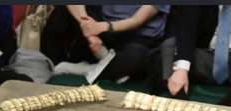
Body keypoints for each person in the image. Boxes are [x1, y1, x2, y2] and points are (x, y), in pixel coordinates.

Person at [155, 5, 231, 108]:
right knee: (170, 45)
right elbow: (186, 30)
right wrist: (181, 68)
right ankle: (179, 96)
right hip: (205, 56)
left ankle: (230, 102)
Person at [42, 5, 170, 84]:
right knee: (63, 10)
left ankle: (90, 69)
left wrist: (101, 27)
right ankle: (111, 66)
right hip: (103, 29)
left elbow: (137, 20)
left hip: (138, 37)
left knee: (137, 55)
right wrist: (88, 29)